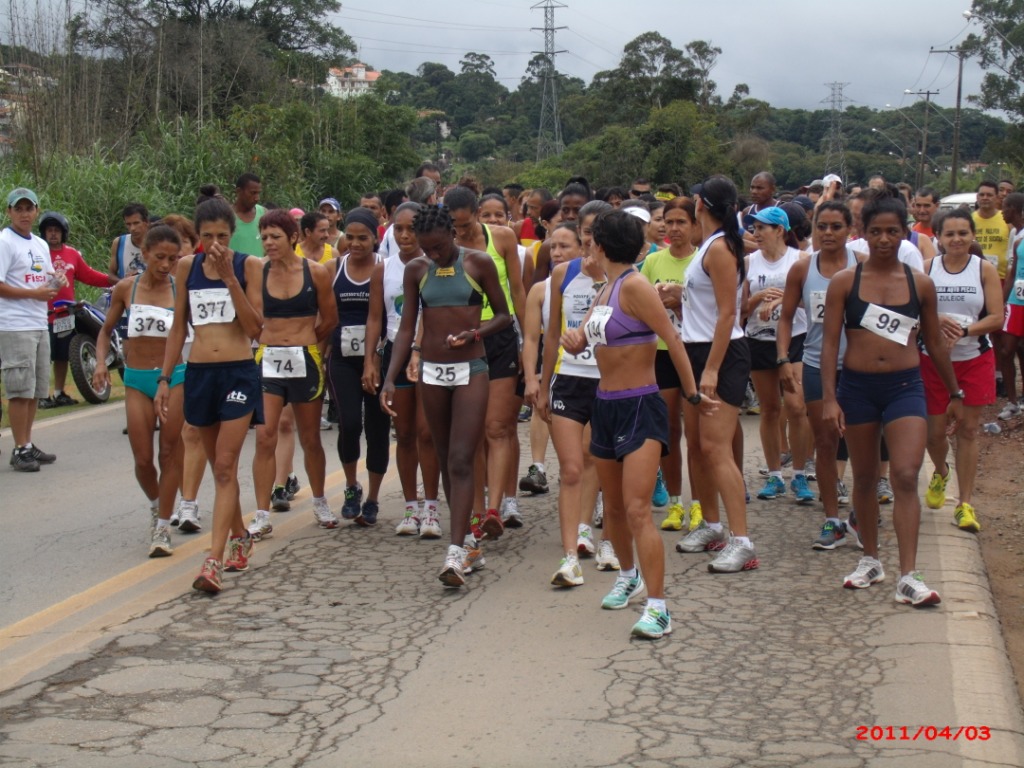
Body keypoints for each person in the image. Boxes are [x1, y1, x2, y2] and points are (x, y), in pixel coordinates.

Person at [560, 209, 717, 639]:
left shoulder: (635, 286)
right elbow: (586, 340)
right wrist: (573, 339)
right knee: (612, 509)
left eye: (590, 240)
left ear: (600, 246)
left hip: (640, 405)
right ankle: (628, 575)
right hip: (605, 405)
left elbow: (672, 338)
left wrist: (692, 394)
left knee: (636, 509)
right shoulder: (606, 286)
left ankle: (658, 606)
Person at [821, 195, 962, 607]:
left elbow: (934, 342)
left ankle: (908, 574)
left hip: (905, 387)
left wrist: (954, 392)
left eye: (893, 232)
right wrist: (830, 398)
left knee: (903, 474)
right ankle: (870, 559)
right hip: (858, 389)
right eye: (876, 231)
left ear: (906, 235)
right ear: (863, 233)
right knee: (864, 478)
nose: (884, 239)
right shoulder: (845, 282)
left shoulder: (920, 284)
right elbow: (830, 344)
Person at [380, 204, 511, 588]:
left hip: (471, 368)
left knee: (460, 457)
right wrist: (391, 378)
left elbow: (503, 316)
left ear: (452, 235)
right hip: (432, 372)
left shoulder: (479, 263)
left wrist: (475, 334)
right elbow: (407, 328)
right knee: (442, 456)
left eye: (438, 247)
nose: (432, 255)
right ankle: (468, 542)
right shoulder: (417, 270)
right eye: (426, 249)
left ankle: (453, 554)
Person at [156, 198, 264, 594]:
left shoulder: (248, 266)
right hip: (199, 374)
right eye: (206, 237)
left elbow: (256, 328)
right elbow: (177, 327)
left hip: (237, 372)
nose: (214, 244)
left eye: (221, 236)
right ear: (196, 237)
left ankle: (213, 561)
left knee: (223, 466)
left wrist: (230, 279)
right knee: (222, 471)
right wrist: (165, 379)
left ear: (232, 234)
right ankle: (239, 535)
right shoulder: (186, 268)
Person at [675, 176, 758, 573]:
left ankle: (742, 542)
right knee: (697, 445)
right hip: (695, 349)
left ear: (700, 204)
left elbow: (729, 313)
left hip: (719, 354)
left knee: (716, 447)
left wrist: (711, 368)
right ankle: (712, 525)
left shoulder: (722, 247)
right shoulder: (707, 245)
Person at [93, 225, 186, 557]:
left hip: (174, 376)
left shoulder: (180, 289)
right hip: (136, 378)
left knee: (169, 452)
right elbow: (104, 332)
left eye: (172, 259)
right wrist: (101, 363)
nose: (165, 265)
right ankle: (158, 503)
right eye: (159, 257)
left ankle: (162, 526)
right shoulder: (125, 289)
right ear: (144, 254)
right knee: (144, 458)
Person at [250, 209, 338, 538]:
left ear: (293, 238)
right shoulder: (257, 271)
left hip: (306, 358)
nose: (269, 243)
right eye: (265, 237)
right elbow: (251, 317)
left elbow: (329, 317)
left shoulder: (315, 273)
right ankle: (261, 512)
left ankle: (319, 500)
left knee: (310, 436)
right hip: (269, 358)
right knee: (265, 435)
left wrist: (307, 344)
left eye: (275, 237)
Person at [534, 220, 613, 584]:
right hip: (569, 380)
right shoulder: (563, 274)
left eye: (594, 236)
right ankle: (570, 557)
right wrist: (544, 381)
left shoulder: (621, 275)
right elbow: (551, 335)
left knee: (602, 463)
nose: (588, 241)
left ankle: (607, 539)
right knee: (570, 469)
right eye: (585, 234)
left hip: (608, 380)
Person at [444, 186, 526, 533]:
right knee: (472, 432)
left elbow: (518, 291)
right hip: (463, 340)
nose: (460, 234)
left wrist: (527, 343)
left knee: (498, 426)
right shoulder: (444, 246)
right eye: (454, 227)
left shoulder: (503, 238)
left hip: (501, 337)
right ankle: (476, 509)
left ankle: (495, 508)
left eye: (464, 226)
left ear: (478, 213)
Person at [778, 201, 859, 549]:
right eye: (821, 226)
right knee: (825, 443)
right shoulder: (803, 268)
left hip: (858, 368)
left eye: (836, 226)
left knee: (861, 443)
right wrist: (782, 358)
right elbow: (784, 317)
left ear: (849, 230)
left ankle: (861, 514)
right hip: (814, 364)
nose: (827, 233)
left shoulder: (863, 266)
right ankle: (832, 520)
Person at [921, 209, 1003, 532]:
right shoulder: (927, 269)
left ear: (972, 236)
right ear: (938, 238)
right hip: (932, 361)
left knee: (969, 430)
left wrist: (964, 332)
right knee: (934, 433)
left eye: (962, 233)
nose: (956, 239)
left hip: (975, 358)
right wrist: (938, 327)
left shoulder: (983, 270)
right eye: (949, 234)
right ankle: (941, 472)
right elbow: (917, 311)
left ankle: (965, 504)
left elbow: (997, 317)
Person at [365, 202, 443, 538]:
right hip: (395, 355)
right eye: (399, 229)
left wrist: (418, 349)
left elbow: (430, 312)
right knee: (406, 433)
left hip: (429, 356)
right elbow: (375, 318)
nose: (405, 235)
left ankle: (431, 508)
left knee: (428, 434)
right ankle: (410, 508)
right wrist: (370, 359)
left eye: (411, 228)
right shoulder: (384, 269)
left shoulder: (436, 266)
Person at [743, 207, 813, 504]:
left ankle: (799, 473)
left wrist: (786, 299)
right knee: (770, 408)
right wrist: (757, 298)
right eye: (754, 228)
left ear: (780, 230)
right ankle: (774, 476)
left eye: (763, 228)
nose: (756, 233)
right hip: (758, 339)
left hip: (795, 337)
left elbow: (812, 302)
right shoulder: (748, 262)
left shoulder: (799, 260)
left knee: (797, 406)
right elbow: (740, 310)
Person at [640, 196, 702, 532]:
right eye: (667, 221)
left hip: (692, 351)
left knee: (696, 436)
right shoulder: (652, 262)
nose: (672, 228)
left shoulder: (702, 261)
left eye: (681, 222)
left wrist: (681, 298)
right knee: (668, 431)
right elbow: (641, 305)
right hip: (660, 353)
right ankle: (676, 503)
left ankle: (699, 504)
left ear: (694, 225)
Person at [327, 208, 390, 525]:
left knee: (378, 428)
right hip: (341, 360)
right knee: (349, 424)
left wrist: (377, 357)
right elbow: (323, 315)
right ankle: (352, 486)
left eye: (362, 237)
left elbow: (386, 318)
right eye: (349, 237)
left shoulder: (385, 269)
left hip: (377, 360)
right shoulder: (333, 269)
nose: (355, 243)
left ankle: (374, 498)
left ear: (375, 238)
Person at [0, 188, 63, 472]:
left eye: (29, 208)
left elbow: (46, 280)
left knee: (36, 389)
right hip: (15, 324)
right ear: (9, 212)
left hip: (39, 321)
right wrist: (32, 294)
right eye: (19, 208)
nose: (24, 214)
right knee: (19, 390)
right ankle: (19, 448)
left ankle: (27, 443)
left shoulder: (39, 244)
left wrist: (56, 282)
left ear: (36, 210)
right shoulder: (4, 242)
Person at [39, 211, 118, 408]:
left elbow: (88, 275)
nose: (53, 234)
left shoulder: (72, 254)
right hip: (41, 313)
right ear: (43, 233)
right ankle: (41, 395)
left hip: (66, 314)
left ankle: (59, 393)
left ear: (63, 233)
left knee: (62, 355)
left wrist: (117, 281)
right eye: (49, 230)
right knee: (42, 356)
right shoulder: (38, 252)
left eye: (57, 230)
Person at [998, 192, 1024, 419]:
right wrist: (1001, 301)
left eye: (1004, 206)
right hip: (1016, 301)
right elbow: (1012, 273)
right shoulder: (1016, 237)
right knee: (1006, 350)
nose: (1002, 211)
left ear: (1014, 209)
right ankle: (1012, 401)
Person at [107, 203, 150, 281]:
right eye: (128, 224)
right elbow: (111, 275)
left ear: (146, 222)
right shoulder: (119, 243)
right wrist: (126, 284)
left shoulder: (158, 243)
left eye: (136, 223)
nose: (132, 228)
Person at [229, 173, 266, 257]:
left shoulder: (264, 214)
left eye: (258, 193)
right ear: (239, 191)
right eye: (253, 193)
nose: (257, 198)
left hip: (259, 269)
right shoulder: (225, 215)